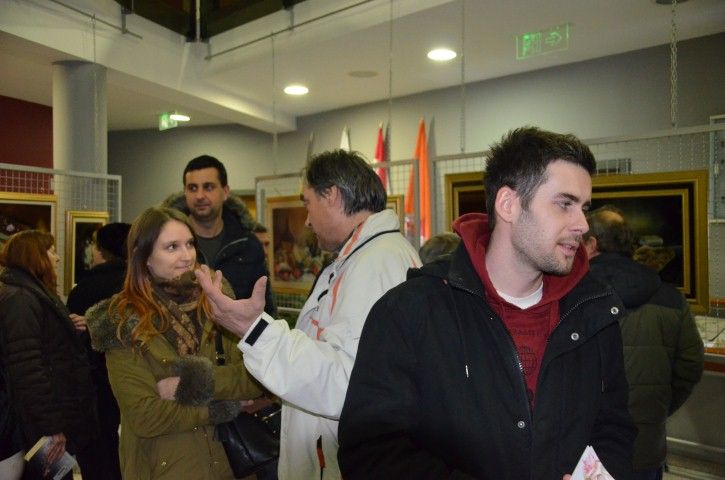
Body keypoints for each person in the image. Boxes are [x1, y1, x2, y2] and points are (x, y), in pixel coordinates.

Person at [337, 127, 637, 479]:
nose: (583, 224)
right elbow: (370, 453)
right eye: (564, 204)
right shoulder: (410, 312)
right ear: (509, 204)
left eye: (584, 208)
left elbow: (615, 429)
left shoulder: (594, 312)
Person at [194, 149, 421, 479]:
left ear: (332, 196)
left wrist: (253, 330)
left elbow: (346, 383)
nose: (307, 220)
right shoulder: (366, 257)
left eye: (308, 203)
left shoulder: (375, 263)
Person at [85, 207, 264, 479]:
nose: (187, 256)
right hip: (163, 468)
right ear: (144, 257)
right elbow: (145, 416)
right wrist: (220, 407)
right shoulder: (122, 320)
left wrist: (191, 384)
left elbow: (253, 377)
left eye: (190, 244)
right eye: (172, 247)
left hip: (231, 464)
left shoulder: (216, 298)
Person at [583, 205, 704, 480]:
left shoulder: (571, 296)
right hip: (646, 445)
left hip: (587, 447)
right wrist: (657, 406)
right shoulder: (671, 298)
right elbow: (691, 365)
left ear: (591, 244)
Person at [0, 230, 97, 479]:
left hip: (47, 418)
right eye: (51, 251)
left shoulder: (30, 293)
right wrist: (50, 427)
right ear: (35, 256)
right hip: (41, 424)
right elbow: (27, 369)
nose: (57, 257)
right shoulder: (21, 298)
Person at [164, 154, 276, 316]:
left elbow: (265, 307)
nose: (200, 196)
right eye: (193, 188)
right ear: (185, 192)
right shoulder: (166, 245)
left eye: (208, 187)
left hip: (238, 331)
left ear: (225, 192)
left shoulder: (248, 245)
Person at [66, 222, 131, 480]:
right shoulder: (139, 284)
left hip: (95, 383)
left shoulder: (84, 288)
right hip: (137, 381)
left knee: (102, 452)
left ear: (103, 250)